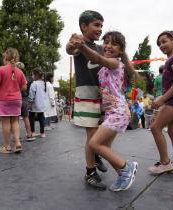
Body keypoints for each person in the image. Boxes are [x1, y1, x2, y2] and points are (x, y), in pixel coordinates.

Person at [72, 31, 138, 191]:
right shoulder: (107, 65)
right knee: (105, 147)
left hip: (118, 112)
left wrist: (82, 47)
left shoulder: (115, 63)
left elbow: (97, 58)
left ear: (121, 50)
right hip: (112, 112)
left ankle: (126, 167)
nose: (108, 46)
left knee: (94, 143)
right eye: (106, 42)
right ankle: (123, 174)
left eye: (114, 44)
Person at [66, 10, 107, 190]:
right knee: (92, 135)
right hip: (86, 94)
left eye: (101, 26)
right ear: (84, 26)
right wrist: (72, 43)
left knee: (100, 133)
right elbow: (69, 49)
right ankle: (90, 171)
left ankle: (96, 154)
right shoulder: (79, 44)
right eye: (96, 25)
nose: (100, 29)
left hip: (101, 95)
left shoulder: (100, 48)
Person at [148, 30, 173, 176]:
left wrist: (162, 99)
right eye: (159, 43)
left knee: (155, 128)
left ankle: (165, 163)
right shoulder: (171, 60)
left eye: (164, 41)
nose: (161, 45)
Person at [0, 48, 27, 154]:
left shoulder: (0, 69)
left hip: (4, 99)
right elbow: (24, 87)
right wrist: (16, 89)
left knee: (6, 123)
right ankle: (17, 143)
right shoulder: (20, 71)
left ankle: (7, 146)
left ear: (6, 57)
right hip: (17, 99)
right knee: (15, 121)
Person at [16, 62, 35, 141]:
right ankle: (29, 135)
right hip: (25, 99)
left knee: (15, 119)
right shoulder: (29, 78)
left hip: (16, 98)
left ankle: (17, 137)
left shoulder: (14, 77)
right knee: (26, 117)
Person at [28, 68, 50, 138]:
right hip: (42, 104)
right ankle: (42, 133)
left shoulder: (34, 84)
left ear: (36, 75)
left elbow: (31, 94)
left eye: (32, 75)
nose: (32, 76)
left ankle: (33, 132)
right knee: (41, 118)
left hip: (34, 104)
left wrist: (30, 103)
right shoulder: (45, 83)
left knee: (31, 117)